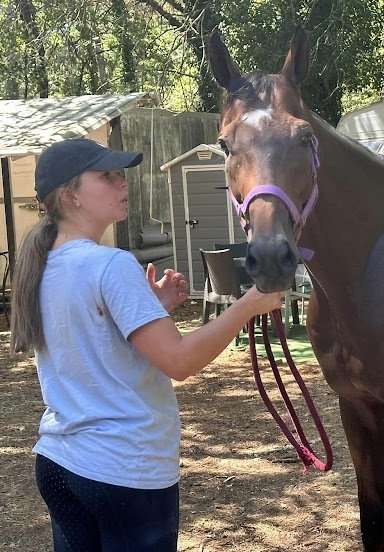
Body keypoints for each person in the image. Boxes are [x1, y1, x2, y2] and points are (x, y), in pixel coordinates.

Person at [10, 138, 283, 551]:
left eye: (121, 174)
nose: (123, 183)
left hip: (59, 462)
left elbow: (92, 342)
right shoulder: (111, 264)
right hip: (123, 469)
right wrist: (249, 304)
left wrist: (148, 309)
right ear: (70, 196)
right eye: (107, 176)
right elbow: (179, 361)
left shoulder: (42, 264)